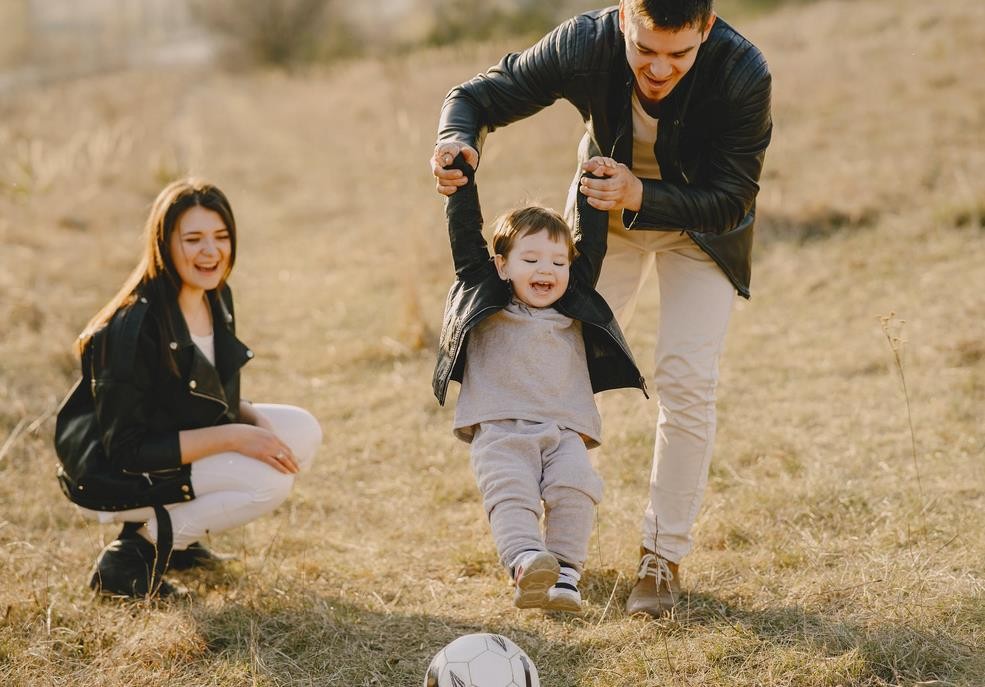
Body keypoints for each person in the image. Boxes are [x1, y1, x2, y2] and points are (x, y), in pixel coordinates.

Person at [430, 0, 772, 616]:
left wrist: (642, 192)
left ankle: (661, 557)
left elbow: (732, 198)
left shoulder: (744, 71)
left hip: (701, 230)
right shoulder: (583, 43)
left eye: (679, 54)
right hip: (599, 221)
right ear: (621, 19)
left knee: (686, 379)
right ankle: (538, 547)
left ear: (708, 30)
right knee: (557, 358)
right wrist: (456, 142)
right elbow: (476, 97)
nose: (660, 69)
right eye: (645, 50)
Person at [54, 178, 322, 598]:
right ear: (164, 244)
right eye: (193, 239)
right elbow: (125, 449)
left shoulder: (214, 296)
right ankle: (132, 557)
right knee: (268, 483)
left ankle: (178, 543)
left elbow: (192, 396)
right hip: (111, 474)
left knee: (302, 430)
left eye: (221, 237)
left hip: (163, 450)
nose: (210, 251)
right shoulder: (133, 327)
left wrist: (251, 416)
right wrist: (237, 435)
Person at [433, 154, 646, 612]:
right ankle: (528, 563)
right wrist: (460, 181)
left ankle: (566, 574)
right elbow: (465, 237)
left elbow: (592, 240)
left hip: (564, 428)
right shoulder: (484, 291)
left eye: (557, 261)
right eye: (530, 259)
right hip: (500, 428)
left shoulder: (573, 303)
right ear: (502, 266)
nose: (545, 270)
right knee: (511, 493)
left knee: (575, 490)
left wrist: (595, 177)